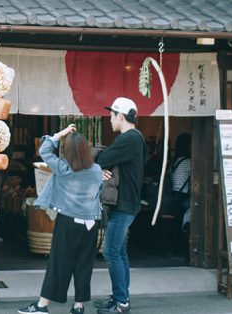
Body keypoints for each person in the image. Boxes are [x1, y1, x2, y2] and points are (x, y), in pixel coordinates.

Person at [18, 124, 103, 314]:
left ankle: (42, 305)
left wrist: (61, 134)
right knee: (84, 265)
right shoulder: (97, 170)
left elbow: (44, 150)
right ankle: (79, 306)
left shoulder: (63, 168)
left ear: (67, 151)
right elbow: (99, 192)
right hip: (91, 223)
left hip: (68, 222)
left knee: (59, 264)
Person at [94, 97, 147, 314]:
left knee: (111, 251)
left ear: (121, 116)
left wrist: (101, 166)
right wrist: (103, 168)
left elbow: (102, 157)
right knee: (120, 251)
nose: (109, 119)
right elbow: (106, 161)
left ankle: (121, 302)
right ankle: (120, 297)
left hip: (124, 204)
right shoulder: (136, 138)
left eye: (111, 115)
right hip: (127, 203)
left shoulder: (129, 138)